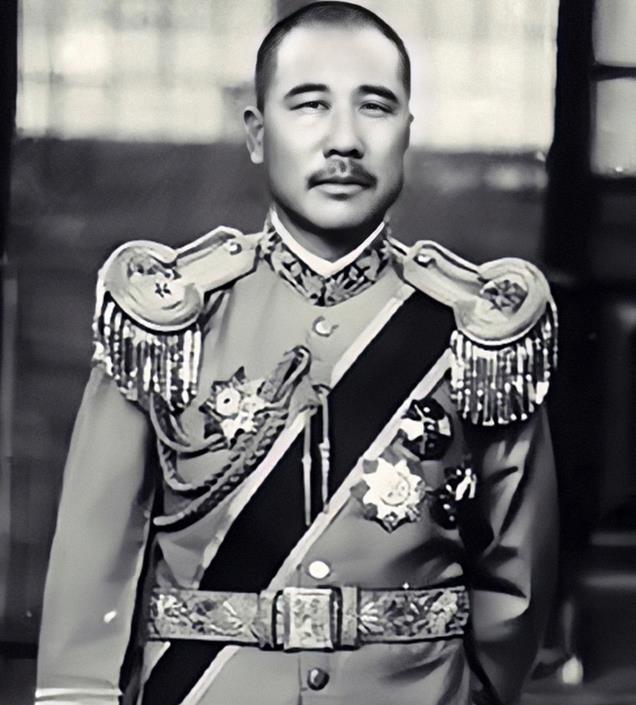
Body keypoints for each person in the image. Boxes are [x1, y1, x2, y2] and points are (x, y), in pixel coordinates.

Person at [35, 3, 558, 705]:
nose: (344, 140)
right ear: (257, 134)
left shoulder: (480, 332)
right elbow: (94, 559)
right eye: (310, 104)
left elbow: (514, 585)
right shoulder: (167, 319)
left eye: (375, 107)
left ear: (408, 129)